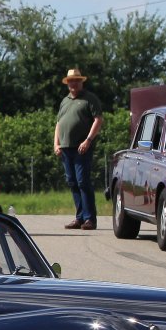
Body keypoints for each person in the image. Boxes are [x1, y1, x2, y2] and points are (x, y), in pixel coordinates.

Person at [53, 68, 104, 230]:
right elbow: (59, 123)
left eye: (76, 80)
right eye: (71, 81)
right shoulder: (65, 101)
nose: (73, 83)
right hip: (65, 147)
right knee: (72, 182)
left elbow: (98, 120)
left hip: (81, 147)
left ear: (81, 82)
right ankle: (80, 217)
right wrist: (56, 144)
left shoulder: (89, 98)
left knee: (83, 181)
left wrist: (88, 140)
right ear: (67, 83)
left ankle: (90, 219)